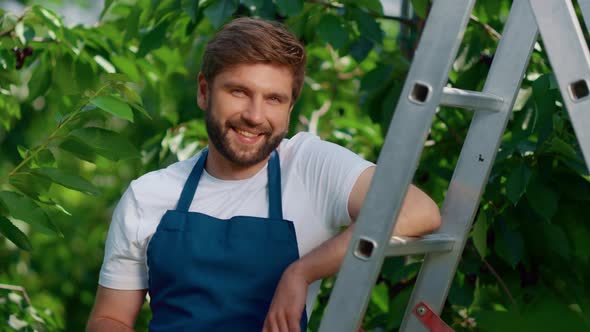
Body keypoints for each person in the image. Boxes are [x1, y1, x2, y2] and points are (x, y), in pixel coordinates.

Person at [86, 17, 441, 332]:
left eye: (273, 99)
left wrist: (300, 272)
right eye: (239, 91)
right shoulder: (147, 196)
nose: (255, 116)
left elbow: (418, 211)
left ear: (290, 107)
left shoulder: (309, 166)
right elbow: (110, 318)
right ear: (203, 91)